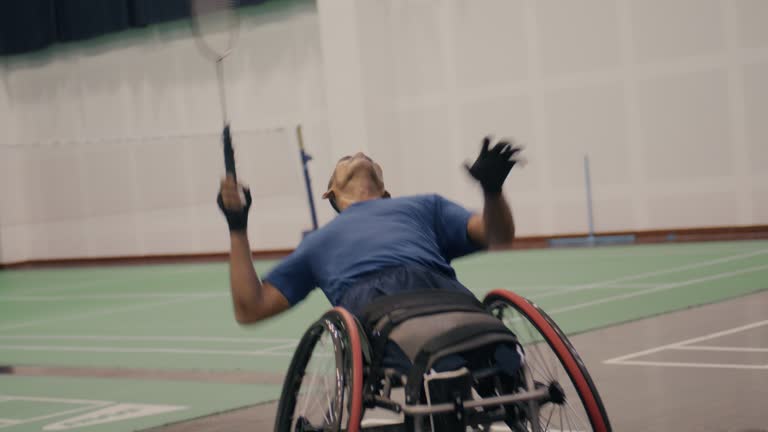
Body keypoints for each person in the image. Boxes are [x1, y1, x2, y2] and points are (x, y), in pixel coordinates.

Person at [217, 136, 522, 324]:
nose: (360, 152)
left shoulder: (426, 206)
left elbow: (498, 235)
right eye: (346, 159)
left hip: (446, 295)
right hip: (375, 309)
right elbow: (250, 308)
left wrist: (492, 190)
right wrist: (237, 228)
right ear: (330, 194)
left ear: (386, 193)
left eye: (369, 158)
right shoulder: (317, 243)